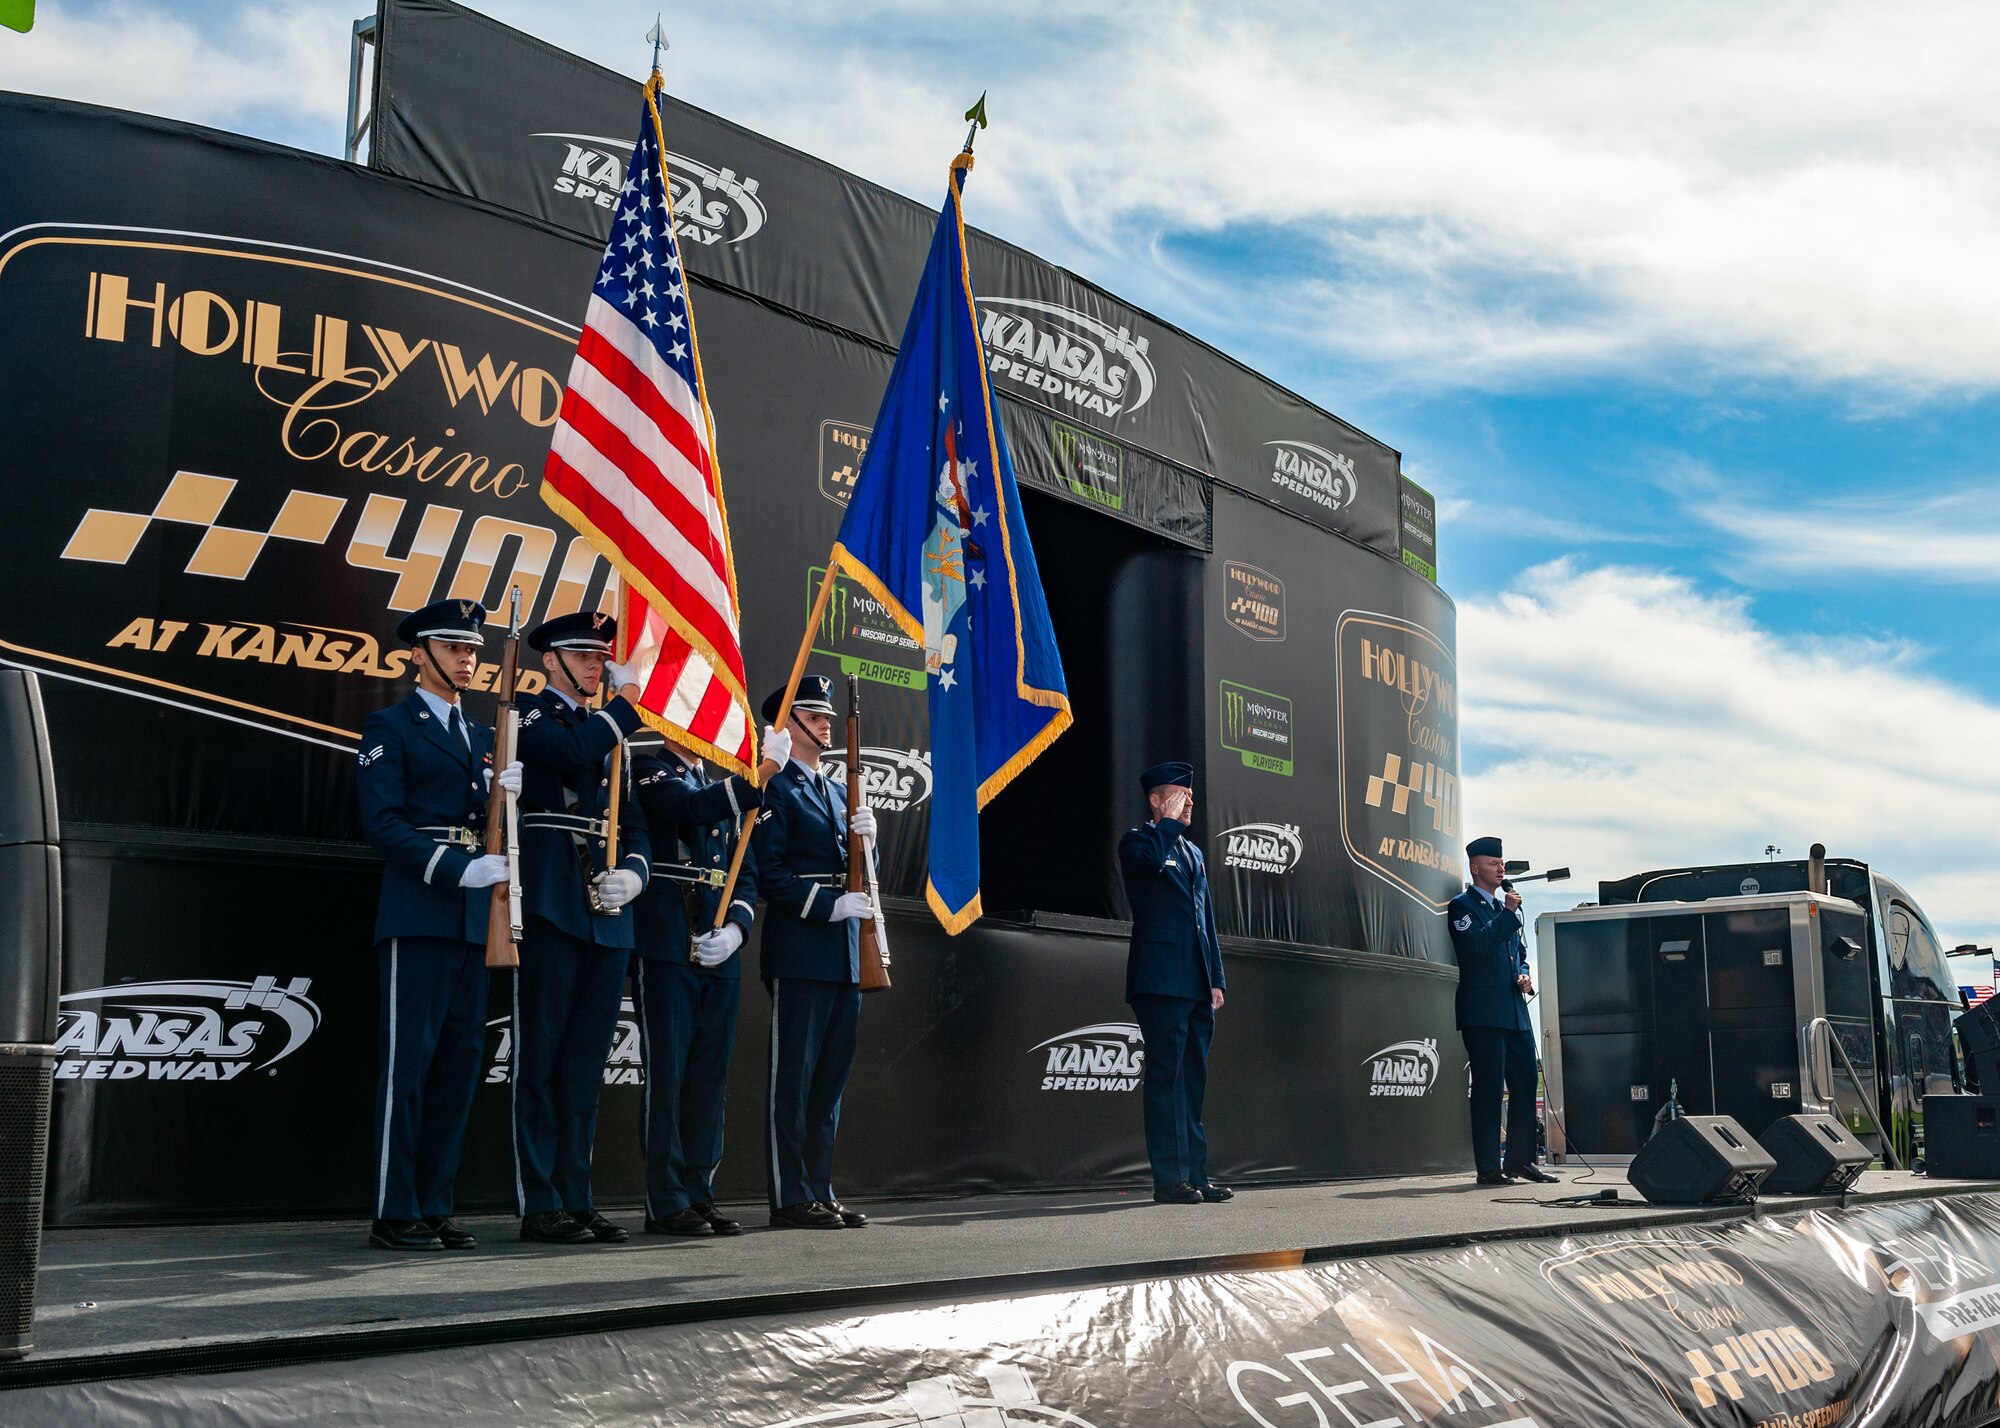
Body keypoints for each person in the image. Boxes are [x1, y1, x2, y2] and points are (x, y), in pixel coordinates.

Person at [356, 598, 521, 1252]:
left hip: (473, 921)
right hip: (420, 909)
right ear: (419, 654)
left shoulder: (485, 738)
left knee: (459, 1065)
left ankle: (434, 1204)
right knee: (409, 1067)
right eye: (454, 649)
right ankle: (395, 1211)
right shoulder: (389, 726)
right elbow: (383, 823)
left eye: (474, 651)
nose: (467, 660)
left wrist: (507, 793)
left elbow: (497, 823)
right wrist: (454, 869)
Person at [509, 609, 653, 1244]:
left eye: (601, 656)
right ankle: (540, 1201)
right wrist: (625, 707)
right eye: (584, 656)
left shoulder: (609, 734)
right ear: (552, 662)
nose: (598, 665)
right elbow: (569, 754)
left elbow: (639, 823)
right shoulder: (530, 713)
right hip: (552, 899)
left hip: (606, 908)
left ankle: (577, 1195)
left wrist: (638, 875)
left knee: (585, 1066)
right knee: (541, 1058)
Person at [628, 720, 790, 1236]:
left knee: (708, 1079)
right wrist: (762, 772)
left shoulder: (718, 781)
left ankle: (700, 1192)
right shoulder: (649, 768)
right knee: (670, 1076)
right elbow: (689, 810)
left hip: (718, 948)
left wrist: (739, 930)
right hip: (669, 942)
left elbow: (745, 872)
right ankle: (667, 1200)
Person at [749, 674, 877, 1229]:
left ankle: (819, 1187)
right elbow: (770, 875)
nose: (826, 723)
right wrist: (827, 906)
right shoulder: (774, 787)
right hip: (802, 945)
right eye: (814, 715)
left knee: (829, 1081)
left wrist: (869, 840)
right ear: (789, 724)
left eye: (827, 715)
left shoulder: (838, 789)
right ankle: (789, 1196)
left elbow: (861, 872)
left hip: (845, 952)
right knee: (794, 1081)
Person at [1117, 760, 1230, 1206]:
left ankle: (1197, 1175)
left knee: (1194, 1081)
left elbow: (1206, 923)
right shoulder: (1139, 841)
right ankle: (1169, 1179)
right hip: (1160, 981)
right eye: (1181, 797)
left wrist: (1216, 978)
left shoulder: (1194, 853)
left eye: (1191, 798)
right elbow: (1144, 868)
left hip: (1197, 983)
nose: (1189, 806)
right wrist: (1166, 824)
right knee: (1167, 1078)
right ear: (1156, 800)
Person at [1448, 835, 1555, 1186]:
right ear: (1475, 867)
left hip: (1514, 1011)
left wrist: (1524, 974)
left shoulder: (1501, 910)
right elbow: (1476, 947)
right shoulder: (1463, 906)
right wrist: (1508, 913)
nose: (1500, 867)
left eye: (1502, 862)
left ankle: (1520, 1160)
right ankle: (1488, 1168)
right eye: (1493, 863)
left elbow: (1518, 952)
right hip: (1483, 1013)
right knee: (1489, 1089)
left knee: (1525, 1084)